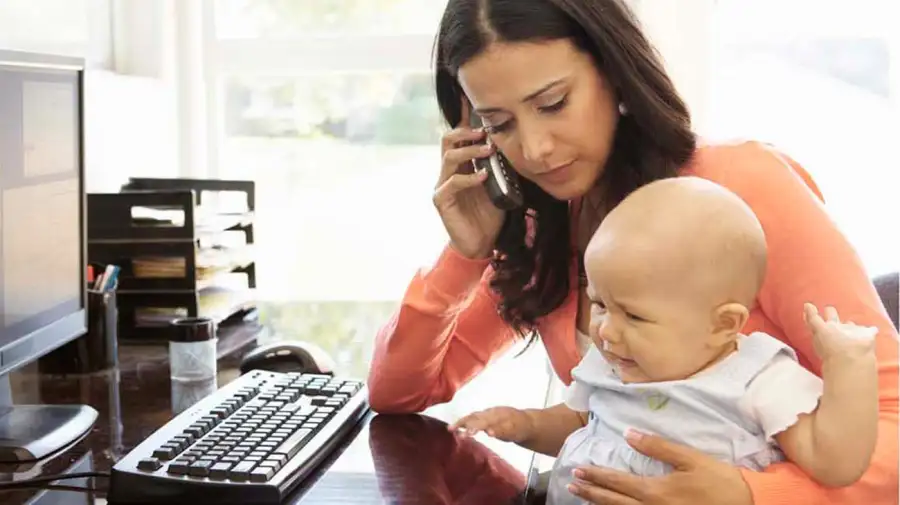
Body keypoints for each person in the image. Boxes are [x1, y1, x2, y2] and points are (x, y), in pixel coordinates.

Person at [366, 0, 899, 503]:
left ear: (616, 74)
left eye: (553, 105)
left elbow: (892, 422)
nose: (534, 149)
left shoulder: (743, 189)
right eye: (499, 125)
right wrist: (469, 254)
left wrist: (752, 494)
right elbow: (399, 392)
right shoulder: (543, 221)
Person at [449, 177, 879, 504]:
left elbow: (835, 462)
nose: (605, 330)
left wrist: (850, 369)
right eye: (599, 303)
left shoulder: (759, 379)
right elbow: (580, 423)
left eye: (634, 315)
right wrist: (523, 425)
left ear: (723, 325)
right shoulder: (614, 359)